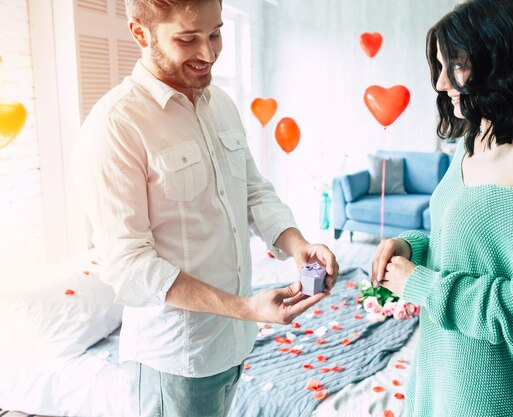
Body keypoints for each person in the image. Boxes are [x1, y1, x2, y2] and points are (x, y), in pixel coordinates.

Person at [72, 1, 339, 416]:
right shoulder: (116, 125)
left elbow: (254, 192)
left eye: (215, 33)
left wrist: (297, 244)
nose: (209, 53)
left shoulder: (222, 105)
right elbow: (128, 266)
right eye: (187, 39)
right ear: (141, 33)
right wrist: (245, 307)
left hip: (233, 342)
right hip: (176, 361)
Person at [370, 1, 513, 416]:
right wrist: (411, 247)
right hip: (436, 371)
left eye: (458, 65)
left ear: (502, 63)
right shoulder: (471, 144)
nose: (443, 82)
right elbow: (462, 248)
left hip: (488, 397)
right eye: (439, 66)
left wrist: (424, 285)